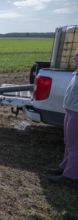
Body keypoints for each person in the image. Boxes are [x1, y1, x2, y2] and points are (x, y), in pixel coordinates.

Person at [48, 49, 78, 184]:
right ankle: (65, 167)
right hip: (70, 111)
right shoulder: (76, 73)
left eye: (77, 56)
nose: (74, 58)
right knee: (68, 142)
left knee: (74, 145)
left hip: (76, 113)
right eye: (76, 55)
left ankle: (70, 176)